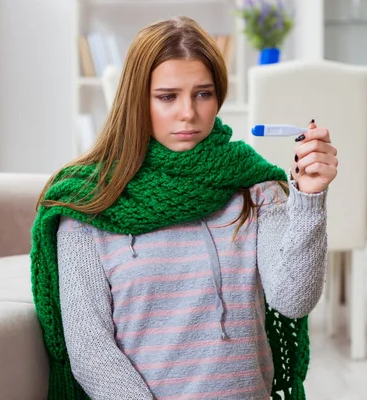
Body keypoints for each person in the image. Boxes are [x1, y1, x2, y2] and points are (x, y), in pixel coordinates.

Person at [30, 16, 338, 400]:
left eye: (203, 94)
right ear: (136, 100)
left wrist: (309, 199)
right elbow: (91, 352)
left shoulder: (256, 188)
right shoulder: (89, 205)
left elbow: (293, 299)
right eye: (167, 96)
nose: (188, 113)